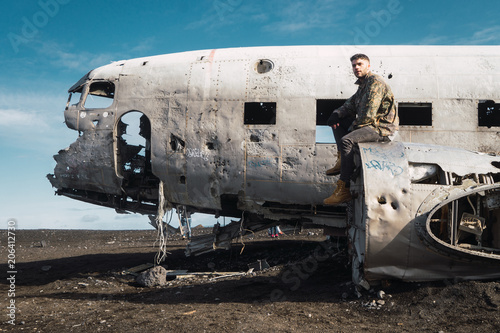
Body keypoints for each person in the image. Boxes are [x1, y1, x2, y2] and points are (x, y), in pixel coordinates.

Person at [324, 54, 398, 205]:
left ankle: (344, 188)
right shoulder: (362, 87)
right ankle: (342, 160)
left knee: (347, 140)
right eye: (354, 65)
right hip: (370, 125)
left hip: (381, 128)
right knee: (338, 122)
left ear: (368, 66)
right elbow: (349, 105)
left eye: (360, 64)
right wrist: (336, 114)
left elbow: (368, 115)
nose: (356, 68)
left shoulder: (375, 83)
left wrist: (352, 129)